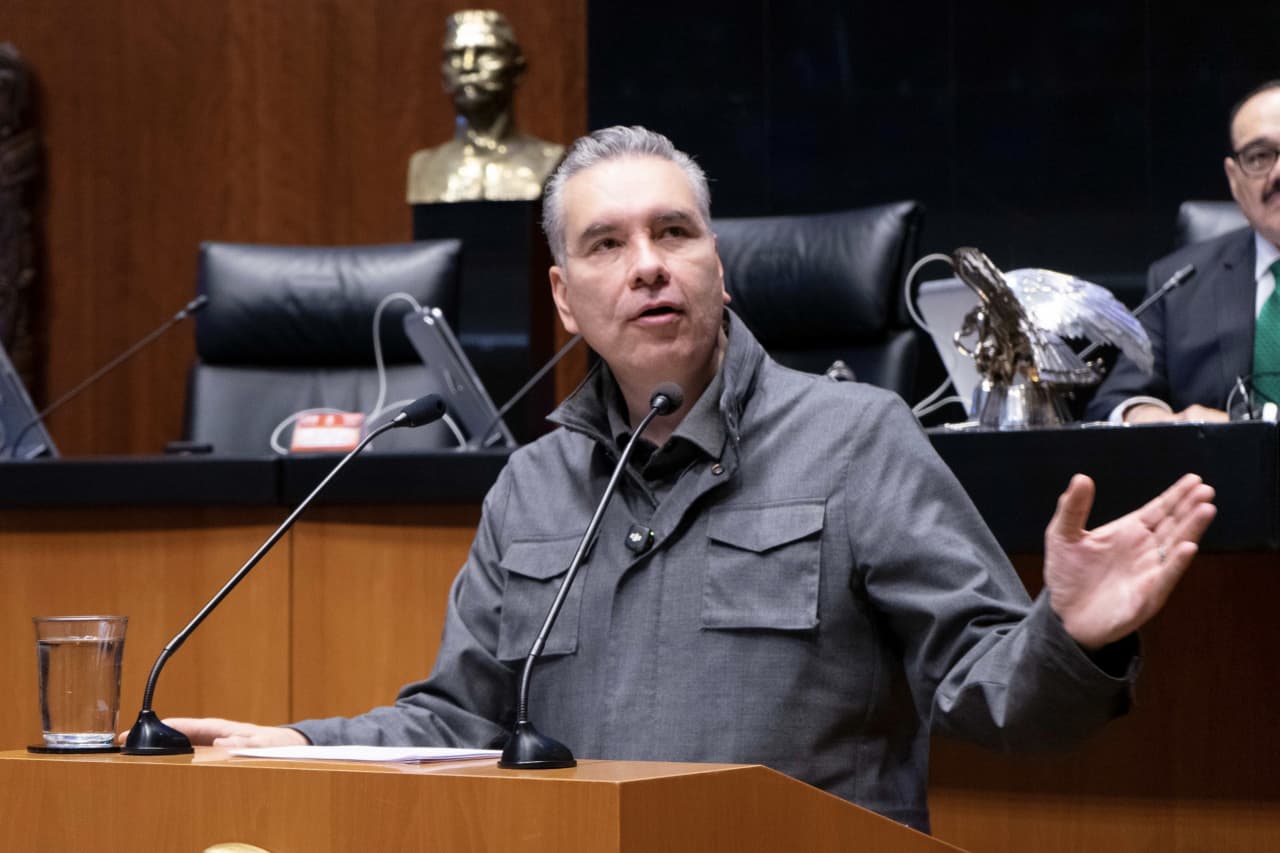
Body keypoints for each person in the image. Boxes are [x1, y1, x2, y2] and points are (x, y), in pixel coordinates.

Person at [171, 127, 1216, 833]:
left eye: (673, 232)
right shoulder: (530, 487)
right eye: (606, 243)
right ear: (565, 297)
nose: (648, 264)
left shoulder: (857, 439)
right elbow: (461, 724)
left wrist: (1070, 636)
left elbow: (993, 697)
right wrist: (293, 742)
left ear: (716, 262)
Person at [1087, 80, 1280, 423]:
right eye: (1259, 156)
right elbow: (1117, 402)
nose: (1278, 172)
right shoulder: (1178, 283)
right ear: (1234, 179)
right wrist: (1165, 422)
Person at [405, 10, 563, 204]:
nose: (468, 66)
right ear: (443, 76)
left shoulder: (550, 161)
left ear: (517, 71)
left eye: (485, 53)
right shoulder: (424, 167)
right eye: (455, 55)